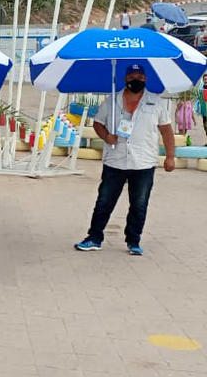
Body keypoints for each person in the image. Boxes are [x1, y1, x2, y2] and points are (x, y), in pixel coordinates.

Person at [75, 64, 175, 256]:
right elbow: (97, 123)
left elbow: (167, 131)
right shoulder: (112, 101)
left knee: (139, 203)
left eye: (139, 76)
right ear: (125, 79)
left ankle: (133, 241)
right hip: (115, 160)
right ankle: (94, 238)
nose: (135, 79)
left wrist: (170, 156)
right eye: (131, 76)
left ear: (145, 79)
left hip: (143, 162)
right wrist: (106, 136)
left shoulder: (156, 103)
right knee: (104, 201)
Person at [196, 73, 207, 140]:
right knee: (205, 126)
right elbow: (199, 98)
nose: (206, 80)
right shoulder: (201, 88)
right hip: (204, 110)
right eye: (205, 79)